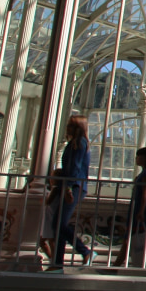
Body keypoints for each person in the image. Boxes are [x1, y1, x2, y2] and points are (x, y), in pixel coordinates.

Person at [44, 115, 94, 271]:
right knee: (59, 225)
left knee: (58, 223)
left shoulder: (78, 143)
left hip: (73, 186)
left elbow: (74, 168)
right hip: (72, 185)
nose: (68, 128)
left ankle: (84, 251)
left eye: (71, 126)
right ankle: (57, 263)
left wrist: (68, 188)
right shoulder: (76, 144)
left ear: (79, 128)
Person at [117, 147, 146, 270]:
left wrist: (140, 211)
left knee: (133, 238)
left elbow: (145, 194)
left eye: (138, 156)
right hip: (144, 210)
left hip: (143, 210)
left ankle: (116, 266)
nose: (136, 158)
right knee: (142, 237)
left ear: (145, 158)